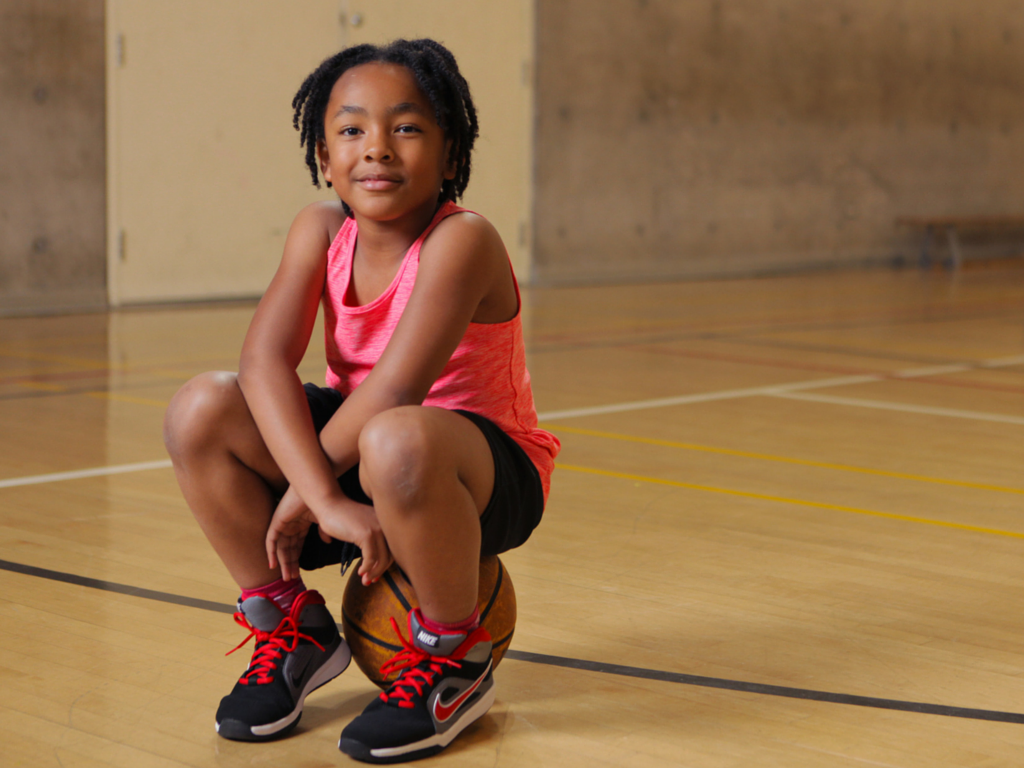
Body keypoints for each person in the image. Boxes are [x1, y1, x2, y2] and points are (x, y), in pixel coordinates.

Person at [162, 38, 559, 763]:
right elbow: (263, 361)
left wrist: (303, 498)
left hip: (479, 471)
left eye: (406, 128)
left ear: (449, 154)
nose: (376, 148)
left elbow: (397, 389)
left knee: (397, 437)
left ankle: (453, 658)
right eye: (351, 130)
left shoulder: (462, 240)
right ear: (323, 155)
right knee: (201, 409)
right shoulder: (319, 229)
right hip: (362, 455)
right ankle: (292, 630)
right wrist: (321, 494)